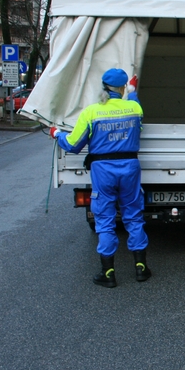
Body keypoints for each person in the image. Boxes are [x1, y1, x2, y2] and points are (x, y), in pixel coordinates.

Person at [49, 68, 150, 288]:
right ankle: (141, 268)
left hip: (103, 170)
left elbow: (73, 145)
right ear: (122, 88)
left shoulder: (92, 112)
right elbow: (135, 102)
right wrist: (132, 90)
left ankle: (108, 273)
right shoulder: (134, 108)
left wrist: (57, 134)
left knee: (104, 219)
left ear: (104, 88)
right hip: (130, 167)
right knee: (133, 216)